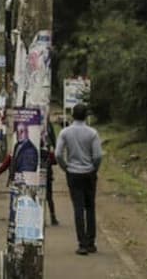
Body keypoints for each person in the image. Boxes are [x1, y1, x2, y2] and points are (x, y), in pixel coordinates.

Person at [56, 103, 102, 255]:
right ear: (86, 116)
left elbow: (57, 154)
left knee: (78, 208)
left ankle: (81, 244)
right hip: (89, 173)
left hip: (73, 173)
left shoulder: (65, 132)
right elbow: (97, 156)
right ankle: (91, 243)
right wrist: (94, 168)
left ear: (72, 116)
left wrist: (66, 167)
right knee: (90, 208)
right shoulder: (93, 133)